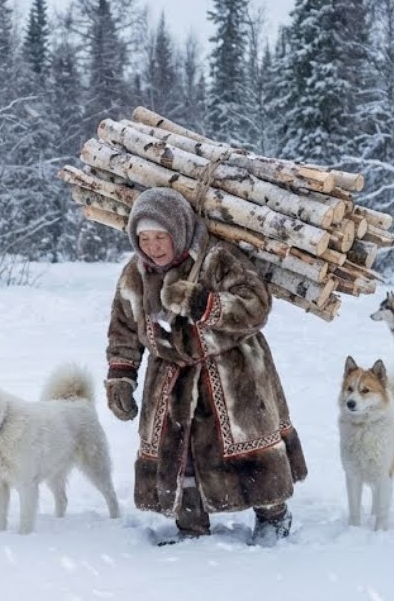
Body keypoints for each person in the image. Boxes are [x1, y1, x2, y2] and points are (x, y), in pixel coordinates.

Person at [104, 187, 307, 546]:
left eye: (160, 236)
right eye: (144, 238)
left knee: (251, 447)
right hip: (169, 377)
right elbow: (123, 328)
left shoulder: (216, 258)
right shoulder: (134, 275)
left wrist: (202, 302)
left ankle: (273, 515)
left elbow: (256, 304)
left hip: (232, 373)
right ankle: (191, 527)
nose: (152, 246)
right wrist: (121, 376)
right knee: (179, 455)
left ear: (178, 230)